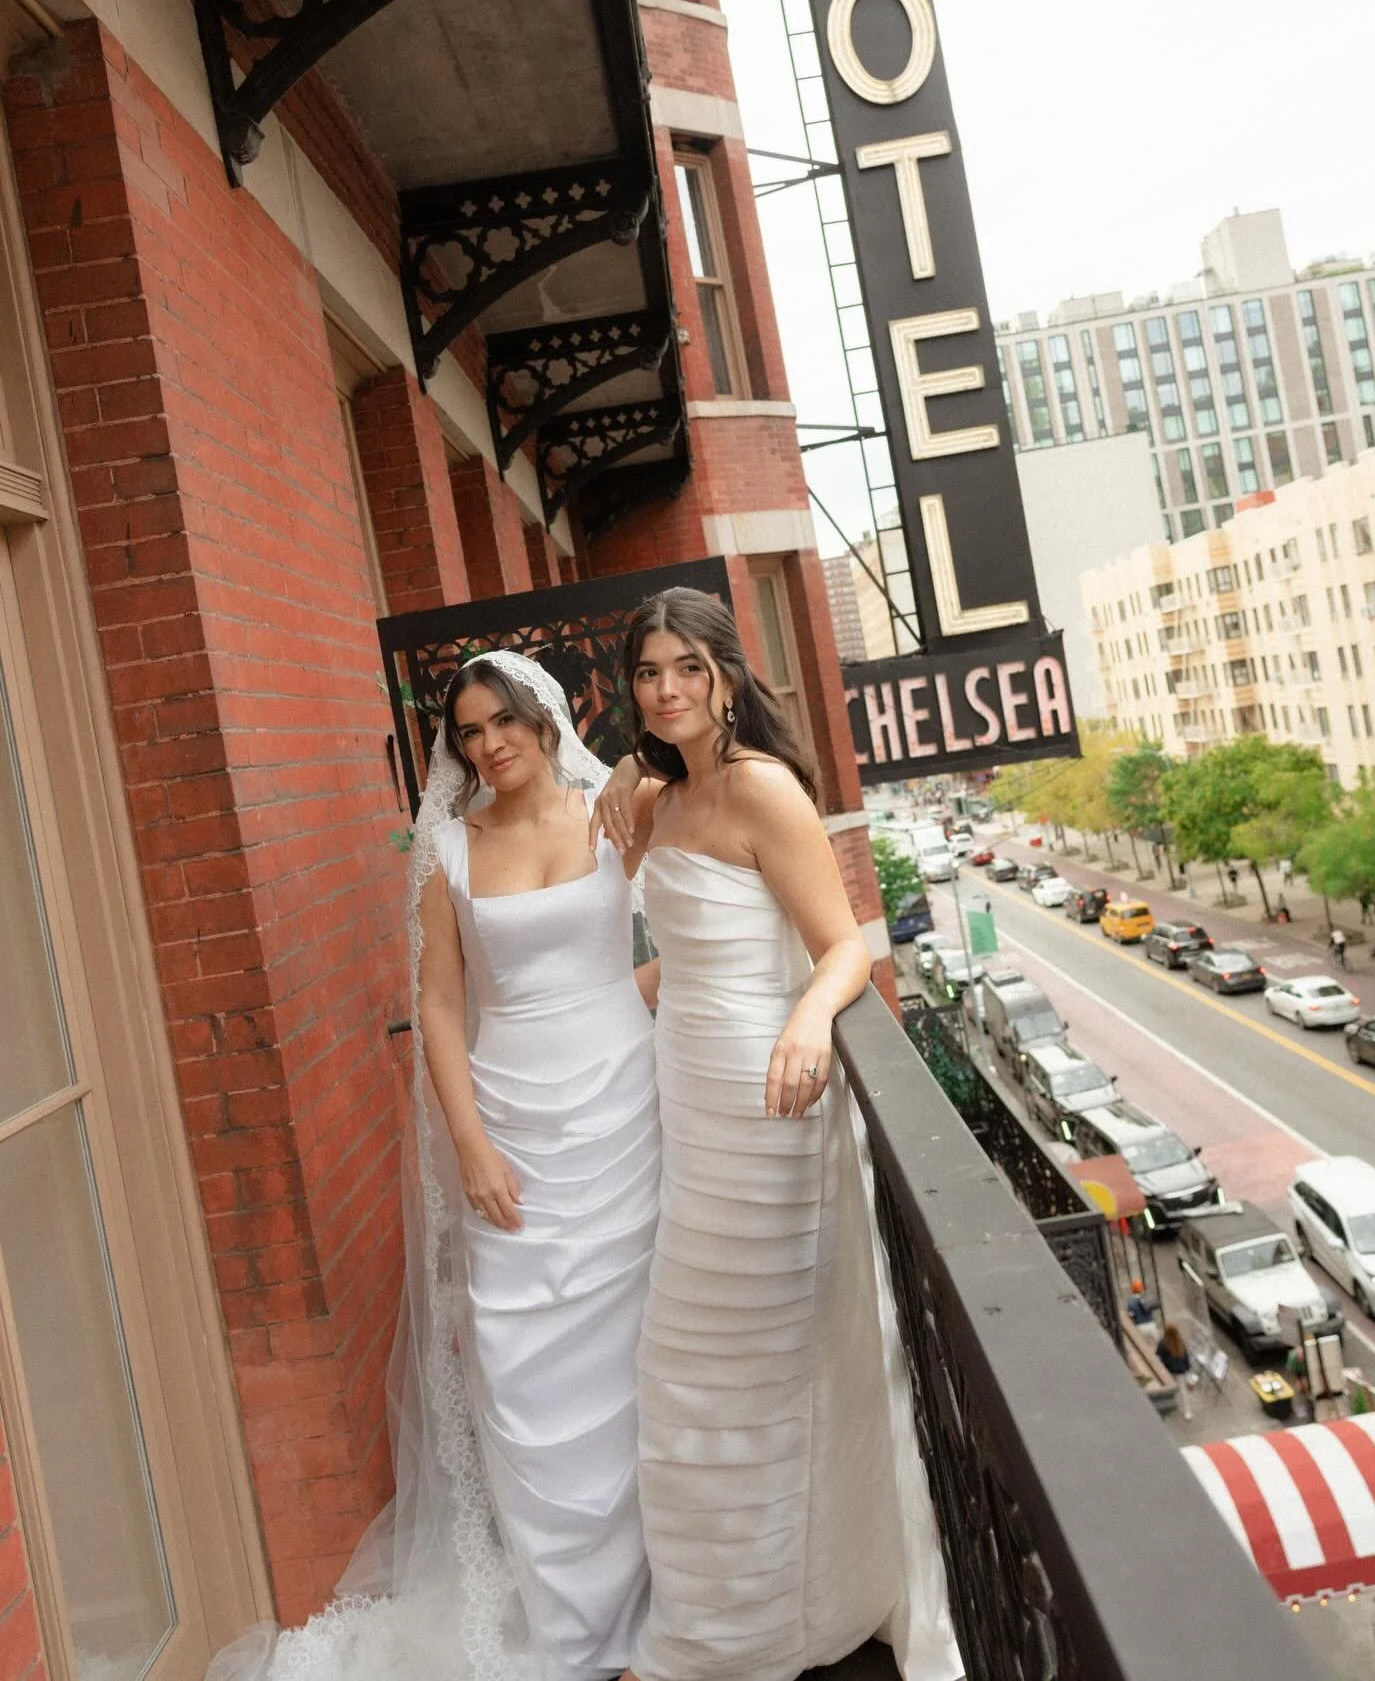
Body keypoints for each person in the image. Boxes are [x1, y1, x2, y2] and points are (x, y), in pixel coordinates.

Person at [206, 652, 661, 1681]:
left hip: (624, 1112)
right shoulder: (448, 847)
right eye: (468, 731)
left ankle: (663, 1615)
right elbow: (445, 1007)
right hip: (508, 1120)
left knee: (641, 1357)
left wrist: (664, 983)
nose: (489, 743)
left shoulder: (614, 811)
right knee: (525, 1368)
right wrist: (471, 1144)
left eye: (504, 720)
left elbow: (688, 906)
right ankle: (579, 1635)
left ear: (545, 719)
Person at [596, 588, 959, 1681]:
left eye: (685, 668)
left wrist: (809, 1017)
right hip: (692, 1099)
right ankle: (721, 1620)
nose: (666, 689)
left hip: (773, 1099)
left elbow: (841, 945)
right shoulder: (661, 798)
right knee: (687, 1371)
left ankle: (781, 1611)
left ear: (726, 674)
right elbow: (675, 955)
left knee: (771, 1357)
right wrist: (624, 779)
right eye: (649, 672)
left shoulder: (763, 788)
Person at [1157, 1323, 1195, 1420]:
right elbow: (1186, 1357)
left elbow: (1158, 1356)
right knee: (1183, 1391)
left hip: (1169, 1370)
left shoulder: (1163, 1343)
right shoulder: (1180, 1342)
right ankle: (1187, 1412)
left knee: (1171, 1387)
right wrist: (1187, 1368)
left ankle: (1173, 1403)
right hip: (1181, 1370)